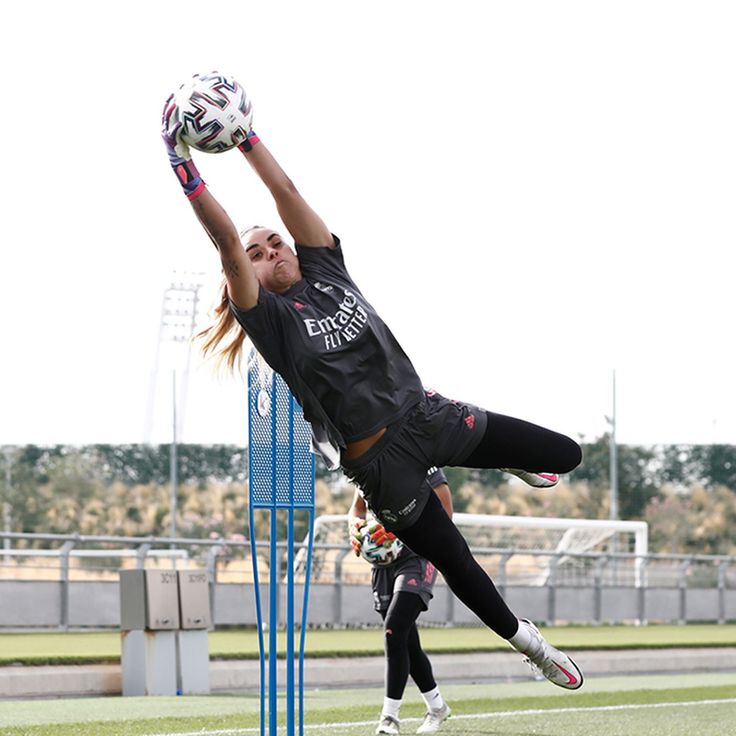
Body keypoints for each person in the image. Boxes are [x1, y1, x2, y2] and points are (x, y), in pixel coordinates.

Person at [161, 86, 584, 690]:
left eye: (274, 241)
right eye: (256, 253)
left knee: (565, 455)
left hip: (427, 415)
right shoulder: (270, 321)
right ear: (245, 275)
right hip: (383, 468)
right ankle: (532, 645)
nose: (268, 250)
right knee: (458, 565)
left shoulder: (329, 268)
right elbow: (225, 240)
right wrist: (184, 164)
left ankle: (511, 461)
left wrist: (247, 135)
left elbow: (287, 194)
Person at [349, 467, 453, 735]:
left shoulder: (424, 465)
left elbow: (446, 515)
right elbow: (357, 510)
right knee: (406, 642)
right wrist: (356, 528)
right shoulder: (368, 465)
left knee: (394, 631)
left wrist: (398, 531)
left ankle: (389, 718)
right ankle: (438, 708)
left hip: (417, 556)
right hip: (384, 565)